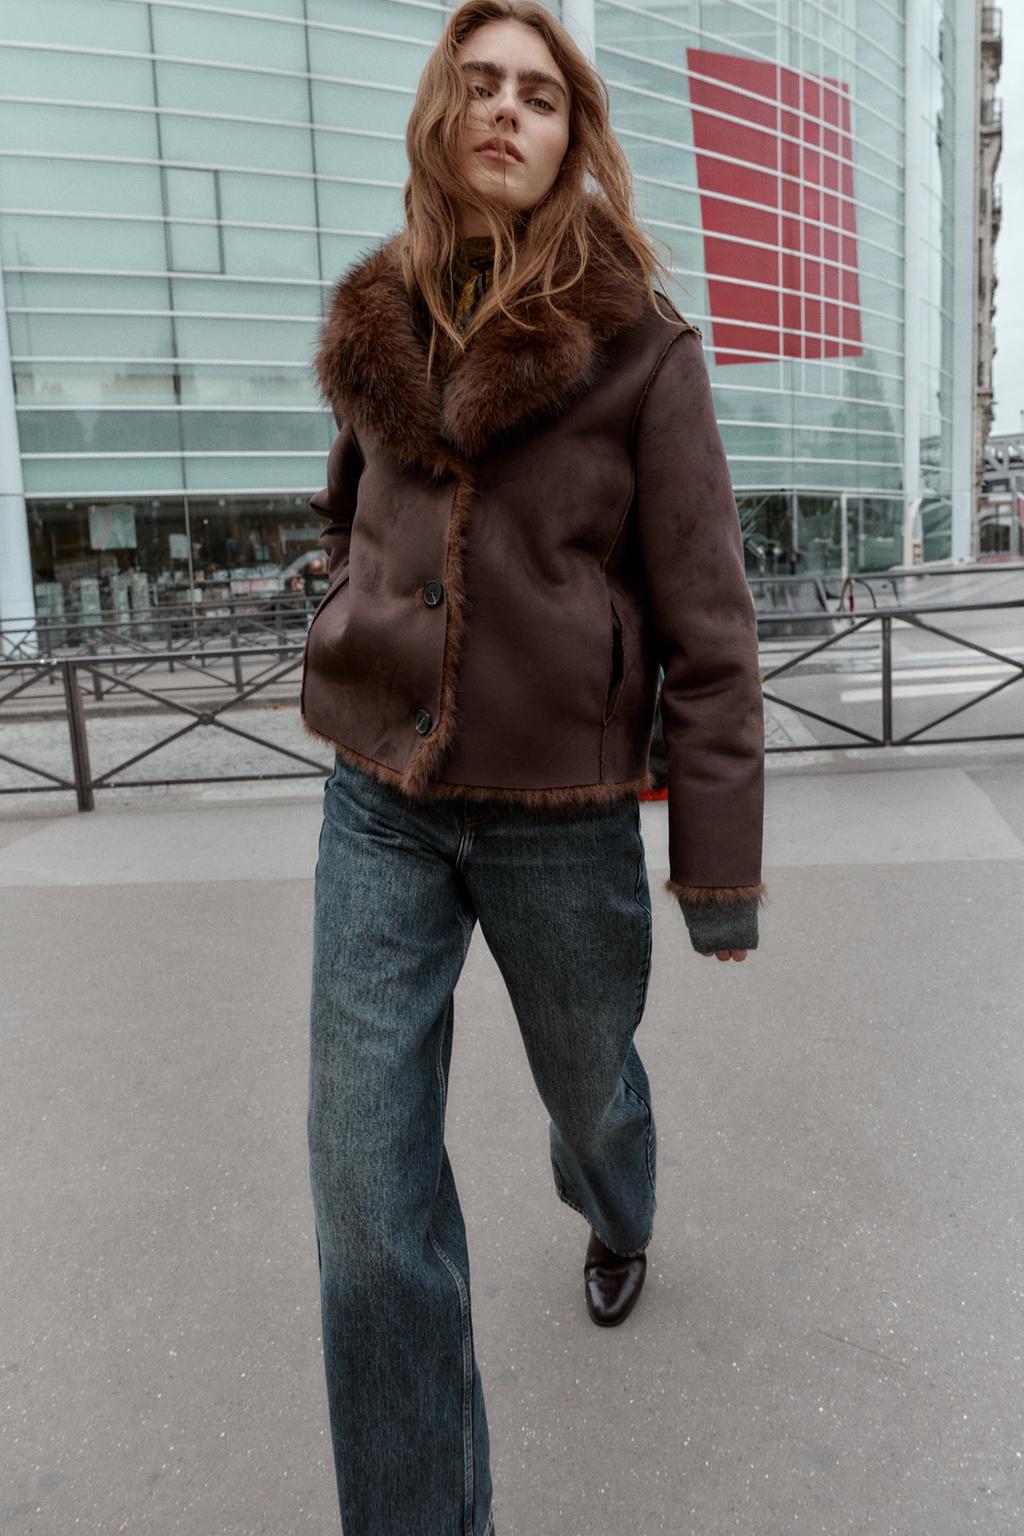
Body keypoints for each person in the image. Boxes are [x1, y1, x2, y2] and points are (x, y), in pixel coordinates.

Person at [300, 5, 767, 1532]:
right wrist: (353, 616)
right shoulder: (378, 315)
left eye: (541, 95)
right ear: (443, 113)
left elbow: (710, 623)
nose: (508, 110)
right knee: (367, 1215)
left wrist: (717, 869)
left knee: (588, 1088)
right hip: (379, 805)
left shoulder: (643, 347)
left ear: (575, 137)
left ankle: (617, 1203)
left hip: (560, 817)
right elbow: (356, 515)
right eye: (481, 84)